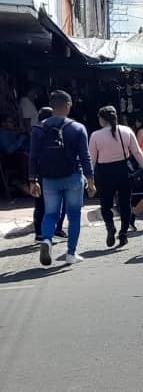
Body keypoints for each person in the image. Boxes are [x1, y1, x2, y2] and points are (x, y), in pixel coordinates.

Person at [28, 90, 96, 266]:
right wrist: (91, 180)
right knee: (74, 215)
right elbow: (85, 156)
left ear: (52, 106)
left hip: (49, 179)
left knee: (50, 214)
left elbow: (33, 156)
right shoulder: (77, 128)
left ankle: (47, 240)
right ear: (67, 106)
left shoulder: (38, 128)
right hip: (73, 177)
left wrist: (32, 180)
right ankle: (71, 254)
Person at [89, 106, 143, 248]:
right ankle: (123, 233)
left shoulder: (96, 136)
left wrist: (90, 179)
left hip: (104, 172)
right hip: (124, 170)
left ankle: (110, 226)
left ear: (102, 119)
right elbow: (137, 152)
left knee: (105, 204)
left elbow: (91, 159)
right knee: (125, 204)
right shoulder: (126, 131)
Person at [31, 107, 66, 242]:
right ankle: (56, 230)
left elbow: (33, 157)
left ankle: (40, 233)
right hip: (55, 172)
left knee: (40, 204)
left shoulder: (37, 131)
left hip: (42, 172)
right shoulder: (58, 131)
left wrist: (32, 178)